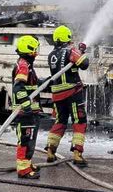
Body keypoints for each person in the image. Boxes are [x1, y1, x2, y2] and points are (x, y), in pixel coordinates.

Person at [45, 25, 90, 166]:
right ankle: (77, 154)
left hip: (57, 94)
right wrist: (80, 51)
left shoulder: (51, 55)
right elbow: (85, 64)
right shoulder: (70, 50)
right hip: (72, 92)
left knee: (60, 121)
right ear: (67, 38)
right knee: (79, 120)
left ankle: (50, 152)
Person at [12, 35, 44, 179]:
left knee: (30, 139)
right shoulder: (23, 65)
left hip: (30, 111)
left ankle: (27, 163)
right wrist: (26, 107)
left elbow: (30, 85)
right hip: (24, 113)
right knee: (25, 139)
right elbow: (18, 88)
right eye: (35, 49)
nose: (37, 52)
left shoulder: (26, 65)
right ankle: (23, 169)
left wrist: (45, 81)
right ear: (29, 50)